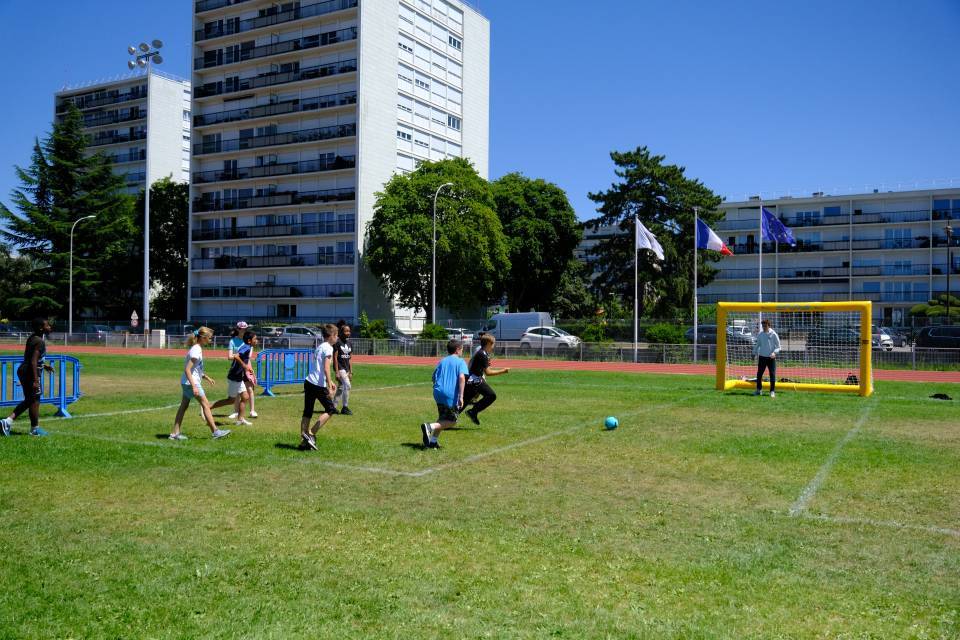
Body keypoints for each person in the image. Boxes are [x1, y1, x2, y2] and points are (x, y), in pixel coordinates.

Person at [170, 327, 231, 441]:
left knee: (183, 407)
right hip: (191, 383)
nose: (211, 340)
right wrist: (194, 386)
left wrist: (206, 377)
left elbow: (195, 369)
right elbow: (188, 370)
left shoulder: (196, 348)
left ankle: (175, 434)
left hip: (186, 382)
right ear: (203, 338)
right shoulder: (196, 350)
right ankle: (216, 432)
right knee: (206, 405)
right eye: (209, 338)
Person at [1, 317, 55, 437]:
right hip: (31, 372)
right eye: (47, 325)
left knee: (31, 400)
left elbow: (31, 358)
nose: (49, 327)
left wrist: (44, 366)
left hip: (25, 371)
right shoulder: (39, 341)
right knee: (34, 400)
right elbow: (33, 361)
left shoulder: (33, 338)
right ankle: (29, 428)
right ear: (41, 328)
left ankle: (13, 423)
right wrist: (36, 380)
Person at [420, 339, 468, 449]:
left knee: (442, 418)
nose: (462, 351)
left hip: (438, 392)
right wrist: (461, 396)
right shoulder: (460, 362)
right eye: (461, 349)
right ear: (457, 350)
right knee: (452, 421)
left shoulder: (442, 361)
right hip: (449, 394)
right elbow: (461, 377)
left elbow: (433, 377)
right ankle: (429, 427)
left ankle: (433, 442)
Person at [299, 323, 338, 451]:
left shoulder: (320, 346)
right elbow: (326, 367)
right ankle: (310, 433)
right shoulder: (328, 348)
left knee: (307, 411)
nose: (337, 338)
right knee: (330, 409)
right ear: (331, 336)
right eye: (336, 335)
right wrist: (329, 383)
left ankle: (303, 441)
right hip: (317, 384)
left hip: (309, 381)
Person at [209, 330, 257, 426]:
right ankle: (208, 407)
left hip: (238, 376)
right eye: (255, 339)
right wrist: (244, 366)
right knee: (230, 400)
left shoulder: (247, 347)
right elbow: (236, 356)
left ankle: (240, 419)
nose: (257, 340)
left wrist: (247, 370)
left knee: (245, 397)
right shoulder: (246, 347)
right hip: (234, 377)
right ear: (249, 341)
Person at [463, 334, 510, 426]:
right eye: (493, 344)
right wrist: (504, 371)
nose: (493, 346)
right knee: (491, 395)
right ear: (489, 343)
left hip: (474, 379)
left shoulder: (483, 353)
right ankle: (472, 412)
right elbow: (488, 372)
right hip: (474, 380)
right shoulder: (482, 354)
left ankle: (450, 418)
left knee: (465, 400)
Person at [226, 321, 258, 419]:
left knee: (249, 390)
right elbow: (230, 357)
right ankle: (236, 412)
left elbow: (248, 357)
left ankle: (252, 411)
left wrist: (249, 369)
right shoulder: (232, 341)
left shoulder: (248, 341)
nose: (244, 330)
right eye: (242, 328)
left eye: (245, 328)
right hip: (238, 368)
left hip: (247, 367)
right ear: (237, 329)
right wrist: (238, 357)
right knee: (237, 392)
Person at [753, 318, 782, 398]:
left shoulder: (774, 334)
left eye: (765, 326)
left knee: (772, 375)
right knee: (759, 374)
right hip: (762, 357)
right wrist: (754, 353)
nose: (764, 327)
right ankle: (759, 390)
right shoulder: (760, 334)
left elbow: (779, 347)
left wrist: (774, 353)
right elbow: (757, 345)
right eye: (763, 326)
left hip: (771, 358)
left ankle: (772, 391)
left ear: (769, 326)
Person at [332, 323, 353, 415]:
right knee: (347, 386)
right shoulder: (337, 342)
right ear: (341, 332)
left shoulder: (350, 343)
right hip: (340, 368)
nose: (348, 333)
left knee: (340, 388)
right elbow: (335, 357)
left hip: (346, 369)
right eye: (346, 331)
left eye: (349, 331)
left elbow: (350, 358)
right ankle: (345, 407)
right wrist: (336, 372)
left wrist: (351, 371)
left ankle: (333, 407)